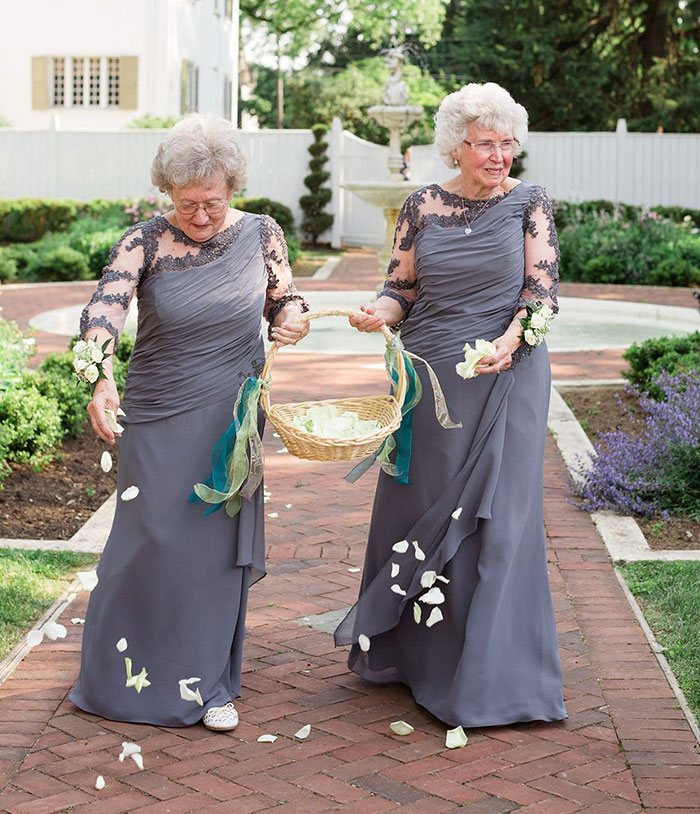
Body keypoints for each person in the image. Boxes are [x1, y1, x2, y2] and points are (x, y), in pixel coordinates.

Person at [336, 82, 566, 728]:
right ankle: (413, 660)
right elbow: (401, 289)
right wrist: (376, 313)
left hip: (508, 374)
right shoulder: (421, 205)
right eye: (485, 143)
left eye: (507, 143)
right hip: (430, 378)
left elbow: (542, 295)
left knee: (501, 520)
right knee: (421, 506)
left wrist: (510, 342)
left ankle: (493, 677)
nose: (499, 155)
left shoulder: (530, 203)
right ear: (456, 148)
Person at [70, 114, 309, 731]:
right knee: (147, 541)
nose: (200, 216)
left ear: (233, 189)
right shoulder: (144, 240)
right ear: (167, 193)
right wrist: (99, 379)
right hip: (156, 412)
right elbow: (103, 313)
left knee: (210, 551)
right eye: (186, 203)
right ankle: (118, 676)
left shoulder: (262, 233)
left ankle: (207, 684)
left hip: (232, 415)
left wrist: (292, 318)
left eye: (213, 203)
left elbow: (285, 300)